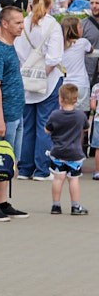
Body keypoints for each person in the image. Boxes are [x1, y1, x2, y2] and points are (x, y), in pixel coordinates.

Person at [0, 6, 28, 220]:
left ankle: (2, 202)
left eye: (22, 22)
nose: (22, 26)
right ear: (5, 24)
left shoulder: (10, 47)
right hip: (5, 114)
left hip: (16, 112)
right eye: (17, 23)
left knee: (10, 160)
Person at [22, 0, 66, 182]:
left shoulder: (22, 23)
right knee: (45, 126)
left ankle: (24, 168)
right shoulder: (53, 26)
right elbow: (54, 57)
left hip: (23, 79)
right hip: (47, 81)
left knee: (26, 126)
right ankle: (42, 169)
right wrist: (42, 74)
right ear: (50, 4)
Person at [46, 83, 87, 215]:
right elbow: (86, 128)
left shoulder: (55, 115)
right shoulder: (80, 116)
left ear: (60, 99)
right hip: (75, 153)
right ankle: (75, 206)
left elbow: (47, 129)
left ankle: (56, 205)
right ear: (76, 99)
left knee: (58, 179)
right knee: (73, 179)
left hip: (58, 151)